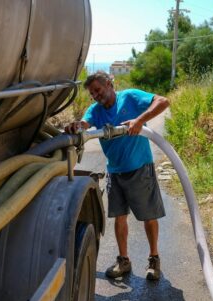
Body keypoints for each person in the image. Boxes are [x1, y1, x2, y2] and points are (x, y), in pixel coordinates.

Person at [65, 71, 170, 280]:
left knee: (149, 217)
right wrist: (77, 126)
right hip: (115, 171)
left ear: (110, 84)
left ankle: (154, 259)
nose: (95, 95)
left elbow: (163, 101)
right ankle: (123, 261)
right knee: (119, 217)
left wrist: (140, 120)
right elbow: (85, 124)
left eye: (98, 90)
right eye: (92, 93)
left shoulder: (130, 97)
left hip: (140, 167)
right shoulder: (95, 111)